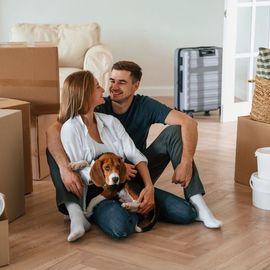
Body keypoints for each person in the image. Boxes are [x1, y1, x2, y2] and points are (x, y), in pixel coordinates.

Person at [47, 61, 222, 239]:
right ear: (86, 94)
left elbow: (188, 122)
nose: (112, 88)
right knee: (120, 227)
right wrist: (65, 168)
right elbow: (53, 130)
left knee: (186, 213)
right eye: (111, 81)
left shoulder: (125, 113)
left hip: (135, 176)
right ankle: (84, 212)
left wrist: (183, 165)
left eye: (121, 82)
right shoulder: (95, 110)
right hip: (103, 184)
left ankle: (196, 203)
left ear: (135, 85)